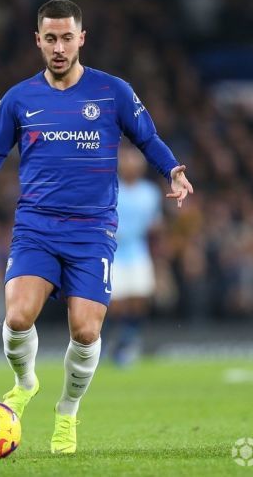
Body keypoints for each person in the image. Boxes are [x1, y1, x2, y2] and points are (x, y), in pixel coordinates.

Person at [0, 0, 193, 454]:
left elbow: (146, 138)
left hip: (92, 232)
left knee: (86, 331)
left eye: (67, 37)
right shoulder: (19, 98)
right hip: (37, 228)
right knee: (16, 316)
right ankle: (25, 382)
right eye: (50, 38)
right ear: (38, 40)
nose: (59, 47)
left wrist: (172, 170)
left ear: (81, 38)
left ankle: (67, 412)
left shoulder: (112, 92)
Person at [106, 146, 163, 366]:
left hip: (138, 252)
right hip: (113, 252)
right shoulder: (110, 189)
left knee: (139, 300)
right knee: (115, 304)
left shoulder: (150, 193)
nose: (131, 166)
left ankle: (128, 343)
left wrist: (159, 260)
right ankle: (109, 342)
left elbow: (155, 226)